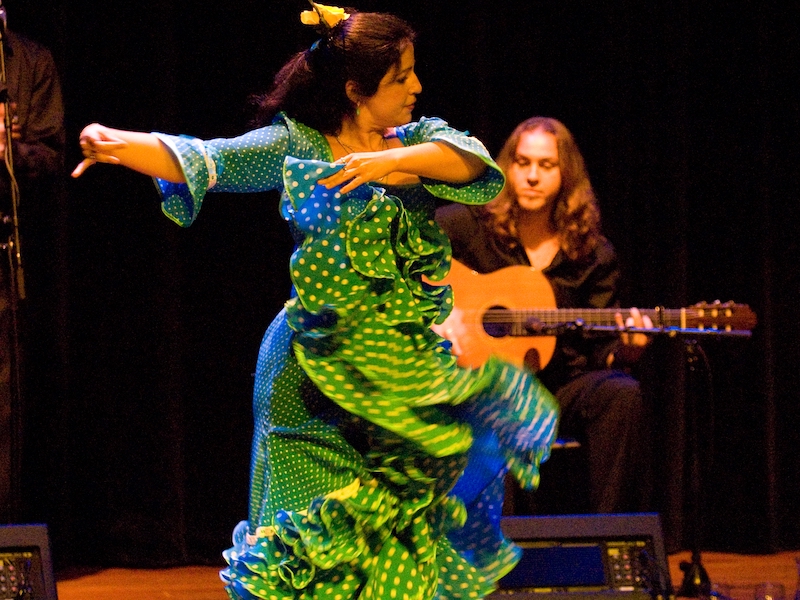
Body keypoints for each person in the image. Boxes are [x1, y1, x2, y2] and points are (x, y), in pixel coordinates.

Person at [72, 5, 559, 600]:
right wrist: (120, 143)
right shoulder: (298, 145)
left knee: (402, 528)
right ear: (356, 89)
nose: (417, 87)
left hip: (396, 372)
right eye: (401, 76)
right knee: (309, 544)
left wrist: (389, 160)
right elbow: (210, 158)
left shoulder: (418, 145)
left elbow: (473, 161)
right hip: (312, 372)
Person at [435, 116, 654, 515]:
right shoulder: (467, 225)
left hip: (560, 389)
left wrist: (627, 351)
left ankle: (606, 542)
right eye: (523, 163)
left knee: (621, 393)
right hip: (478, 383)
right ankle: (497, 558)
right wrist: (439, 319)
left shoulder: (592, 253)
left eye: (546, 165)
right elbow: (407, 266)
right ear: (508, 167)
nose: (532, 176)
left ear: (565, 173)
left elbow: (602, 350)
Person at [0, 24, 66, 524]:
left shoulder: (26, 59)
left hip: (3, 252)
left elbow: (50, 152)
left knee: (5, 400)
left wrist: (10, 151)